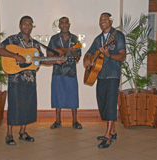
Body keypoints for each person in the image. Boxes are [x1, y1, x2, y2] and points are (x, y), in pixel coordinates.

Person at [0, 16, 65, 145]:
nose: (27, 26)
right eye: (24, 24)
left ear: (32, 26)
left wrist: (56, 61)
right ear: (20, 25)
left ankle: (23, 132)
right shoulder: (13, 40)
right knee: (14, 106)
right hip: (15, 79)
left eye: (29, 24)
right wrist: (16, 56)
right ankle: (9, 134)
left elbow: (42, 60)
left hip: (30, 80)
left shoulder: (35, 44)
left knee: (27, 106)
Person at [83, 12, 126, 148]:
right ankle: (112, 131)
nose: (103, 21)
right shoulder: (98, 39)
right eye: (101, 19)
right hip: (100, 75)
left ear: (111, 21)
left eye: (105, 19)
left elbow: (122, 56)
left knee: (111, 104)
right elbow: (89, 52)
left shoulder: (118, 36)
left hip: (113, 75)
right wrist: (86, 59)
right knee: (102, 103)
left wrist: (109, 55)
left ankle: (107, 136)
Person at [47, 17, 82, 129]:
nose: (64, 25)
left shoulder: (75, 39)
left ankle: (75, 121)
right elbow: (48, 55)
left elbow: (78, 57)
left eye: (66, 22)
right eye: (62, 23)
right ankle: (57, 121)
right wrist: (57, 51)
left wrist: (73, 51)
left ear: (69, 24)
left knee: (73, 96)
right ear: (59, 26)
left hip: (71, 72)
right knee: (57, 96)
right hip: (57, 71)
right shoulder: (54, 39)